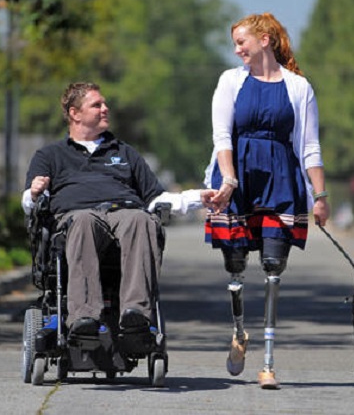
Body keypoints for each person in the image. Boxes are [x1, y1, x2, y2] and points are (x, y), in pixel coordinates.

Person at [23, 81, 215, 337]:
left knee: (142, 219)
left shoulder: (125, 152)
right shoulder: (50, 155)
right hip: (76, 219)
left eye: (105, 103)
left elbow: (156, 199)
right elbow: (30, 203)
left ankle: (135, 312)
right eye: (97, 104)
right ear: (75, 113)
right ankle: (84, 316)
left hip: (123, 214)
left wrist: (199, 197)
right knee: (83, 220)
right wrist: (34, 192)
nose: (106, 108)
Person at [204, 13, 331, 389]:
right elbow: (221, 135)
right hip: (237, 180)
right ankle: (240, 332)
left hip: (281, 180)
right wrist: (227, 181)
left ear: (265, 40)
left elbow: (309, 146)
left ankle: (269, 362)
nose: (236, 49)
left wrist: (320, 197)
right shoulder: (230, 81)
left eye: (241, 41)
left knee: (274, 268)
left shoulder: (299, 87)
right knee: (236, 267)